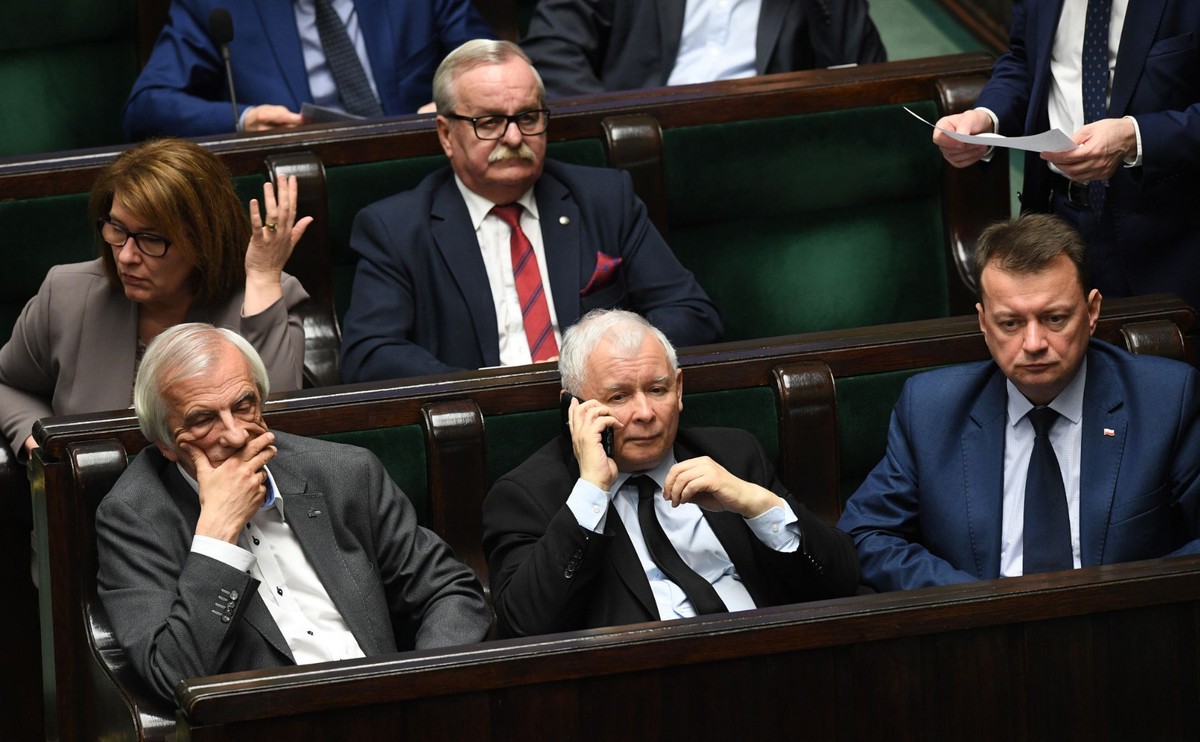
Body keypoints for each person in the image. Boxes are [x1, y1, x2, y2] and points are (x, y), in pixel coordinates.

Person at [96, 323, 491, 704]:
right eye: (203, 420)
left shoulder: (344, 473)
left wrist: (419, 690)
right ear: (164, 442)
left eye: (243, 406)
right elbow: (173, 675)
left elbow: (450, 591)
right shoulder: (134, 518)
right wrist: (218, 535)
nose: (235, 434)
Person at [838, 214, 1200, 593]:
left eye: (1055, 319)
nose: (1033, 344)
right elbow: (865, 533)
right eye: (1010, 323)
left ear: (1092, 311)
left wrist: (1119, 602)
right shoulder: (931, 410)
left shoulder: (1164, 400)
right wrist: (975, 602)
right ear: (983, 322)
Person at [340, 40, 723, 382]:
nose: (513, 137)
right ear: (446, 134)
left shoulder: (605, 199)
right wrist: (484, 389)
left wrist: (600, 365)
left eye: (527, 118)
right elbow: (369, 354)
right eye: (489, 122)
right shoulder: (396, 228)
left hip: (604, 408)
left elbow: (692, 314)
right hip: (479, 423)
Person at [482, 309, 859, 638]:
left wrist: (758, 505)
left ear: (678, 389)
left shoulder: (733, 455)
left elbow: (841, 581)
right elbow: (525, 626)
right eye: (619, 396)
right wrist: (592, 491)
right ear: (574, 408)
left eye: (657, 389)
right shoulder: (529, 495)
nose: (645, 413)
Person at [0, 137, 310, 465]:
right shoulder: (68, 294)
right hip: (96, 493)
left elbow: (279, 430)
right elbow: (8, 384)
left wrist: (262, 278)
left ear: (203, 241)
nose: (127, 256)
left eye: (151, 239)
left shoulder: (263, 296)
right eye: (117, 229)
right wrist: (39, 443)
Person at [931, 1, 1200, 310]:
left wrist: (1134, 137)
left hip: (1166, 236)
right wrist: (989, 116)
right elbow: (1024, 60)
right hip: (1056, 215)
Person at [124, 0, 495, 139]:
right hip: (295, 188)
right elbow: (147, 108)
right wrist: (243, 120)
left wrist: (454, 100)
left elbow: (492, 65)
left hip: (419, 165)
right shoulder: (215, 5)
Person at [521, 0, 887, 99]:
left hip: (764, 156)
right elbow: (551, 50)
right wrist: (615, 125)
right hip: (635, 148)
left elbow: (865, 76)